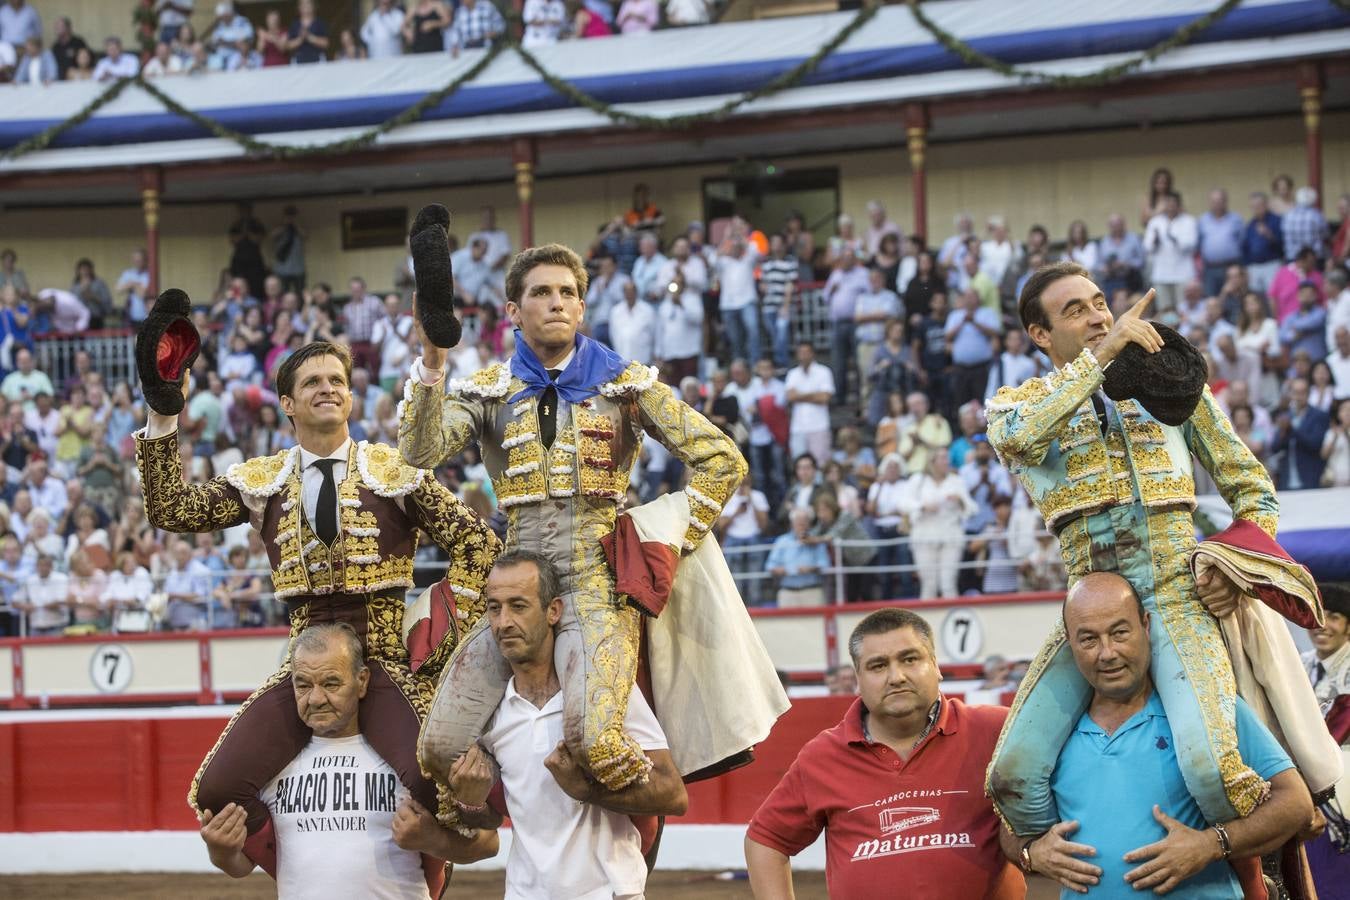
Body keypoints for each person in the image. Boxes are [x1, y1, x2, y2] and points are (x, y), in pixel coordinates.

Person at [984, 262, 1333, 852]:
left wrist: (1230, 567)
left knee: (1213, 772)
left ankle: (1256, 878)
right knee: (1011, 776)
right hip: (1089, 610)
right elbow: (1019, 438)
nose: (1098, 316)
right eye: (1075, 310)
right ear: (1038, 334)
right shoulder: (1016, 405)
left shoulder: (1169, 387)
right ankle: (1090, 862)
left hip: (1175, 591)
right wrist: (1099, 362)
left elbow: (1254, 491)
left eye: (1099, 303)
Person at [138, 340, 500, 875]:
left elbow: (480, 546)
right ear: (286, 402)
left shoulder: (394, 470)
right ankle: (304, 868)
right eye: (311, 382)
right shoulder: (264, 481)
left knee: (436, 783)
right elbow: (170, 507)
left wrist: (441, 640)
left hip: (381, 662)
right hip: (303, 668)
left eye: (337, 380)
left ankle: (428, 875)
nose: (327, 388)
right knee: (217, 790)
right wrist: (164, 412)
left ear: (351, 396)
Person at [400, 240, 746, 801]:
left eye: (568, 293)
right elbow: (418, 454)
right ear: (514, 311)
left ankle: (650, 810)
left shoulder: (623, 384)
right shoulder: (489, 392)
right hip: (515, 587)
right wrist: (434, 360)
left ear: (583, 308)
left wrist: (664, 537)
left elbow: (722, 460)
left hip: (595, 582)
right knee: (439, 747)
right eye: (541, 293)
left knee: (594, 740)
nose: (557, 302)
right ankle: (509, 819)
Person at [1004, 573, 1311, 899]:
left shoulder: (1204, 709)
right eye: (1089, 639)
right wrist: (1031, 852)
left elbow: (1296, 803)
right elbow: (1008, 828)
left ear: (1146, 626)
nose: (1107, 653)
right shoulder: (1050, 734)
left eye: (1119, 633)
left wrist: (1211, 844)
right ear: (1069, 642)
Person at [447, 552, 685, 898]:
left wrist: (589, 790)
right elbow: (492, 820)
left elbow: (674, 795)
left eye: (518, 606)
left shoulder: (605, 689)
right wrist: (469, 804)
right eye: (494, 608)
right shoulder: (487, 710)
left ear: (553, 611)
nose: (503, 622)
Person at [746, 608, 1026, 899]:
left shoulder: (999, 731)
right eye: (878, 666)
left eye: (910, 659)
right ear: (858, 679)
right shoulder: (822, 756)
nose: (896, 677)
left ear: (936, 665)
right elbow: (767, 839)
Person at [200, 623, 498, 896]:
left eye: (331, 684)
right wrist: (222, 852)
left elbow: (488, 843)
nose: (315, 699)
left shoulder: (406, 758)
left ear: (362, 681)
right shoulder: (270, 766)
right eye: (303, 685)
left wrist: (433, 839)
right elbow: (241, 866)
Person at [1302, 583, 1350, 899]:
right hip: (1304, 779)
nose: (1323, 626)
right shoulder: (1298, 663)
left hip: (1340, 785)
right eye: (1317, 616)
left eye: (1333, 617)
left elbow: (1337, 729)